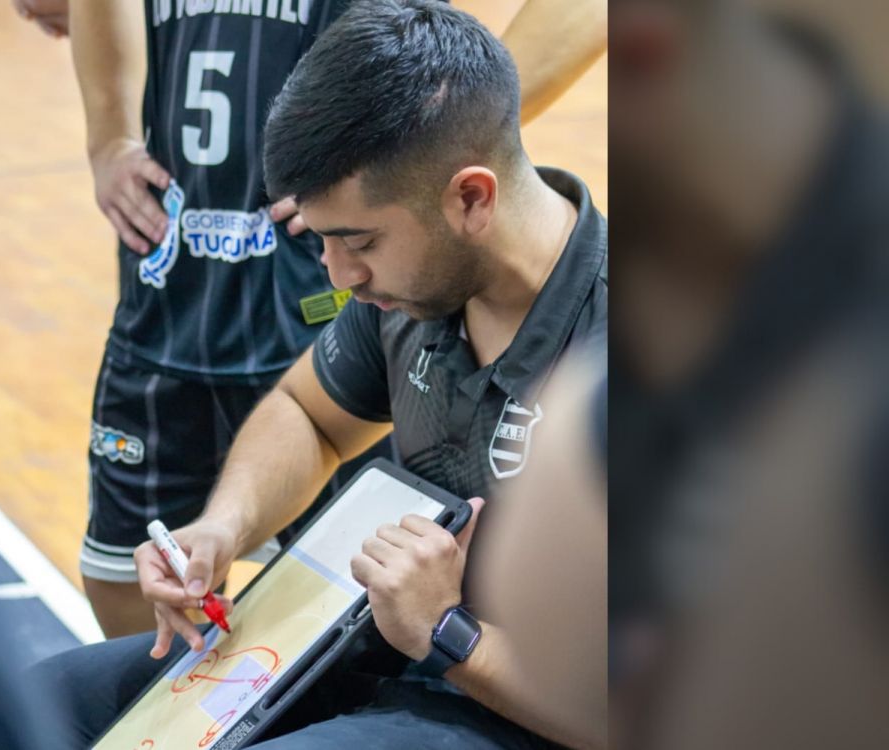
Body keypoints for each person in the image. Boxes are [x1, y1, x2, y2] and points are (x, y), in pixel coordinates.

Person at [32, 2, 607, 748]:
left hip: (515, 703)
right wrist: (222, 528)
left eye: (357, 240)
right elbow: (308, 413)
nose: (338, 275)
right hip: (390, 653)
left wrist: (448, 632)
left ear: (471, 197)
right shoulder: (419, 282)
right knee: (39, 701)